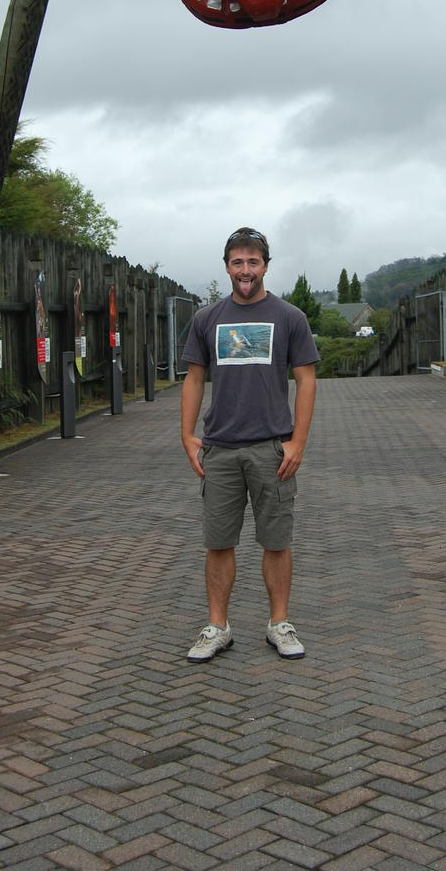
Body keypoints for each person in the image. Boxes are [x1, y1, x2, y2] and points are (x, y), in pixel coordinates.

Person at [180, 227, 319, 662]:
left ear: (265, 266)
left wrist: (297, 442)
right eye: (237, 262)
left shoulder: (289, 317)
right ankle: (217, 626)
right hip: (220, 449)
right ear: (226, 267)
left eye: (253, 262)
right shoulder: (207, 319)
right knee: (218, 542)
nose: (245, 270)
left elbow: (306, 380)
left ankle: (279, 623)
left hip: (271, 449)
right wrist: (186, 435)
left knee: (276, 541)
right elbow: (194, 378)